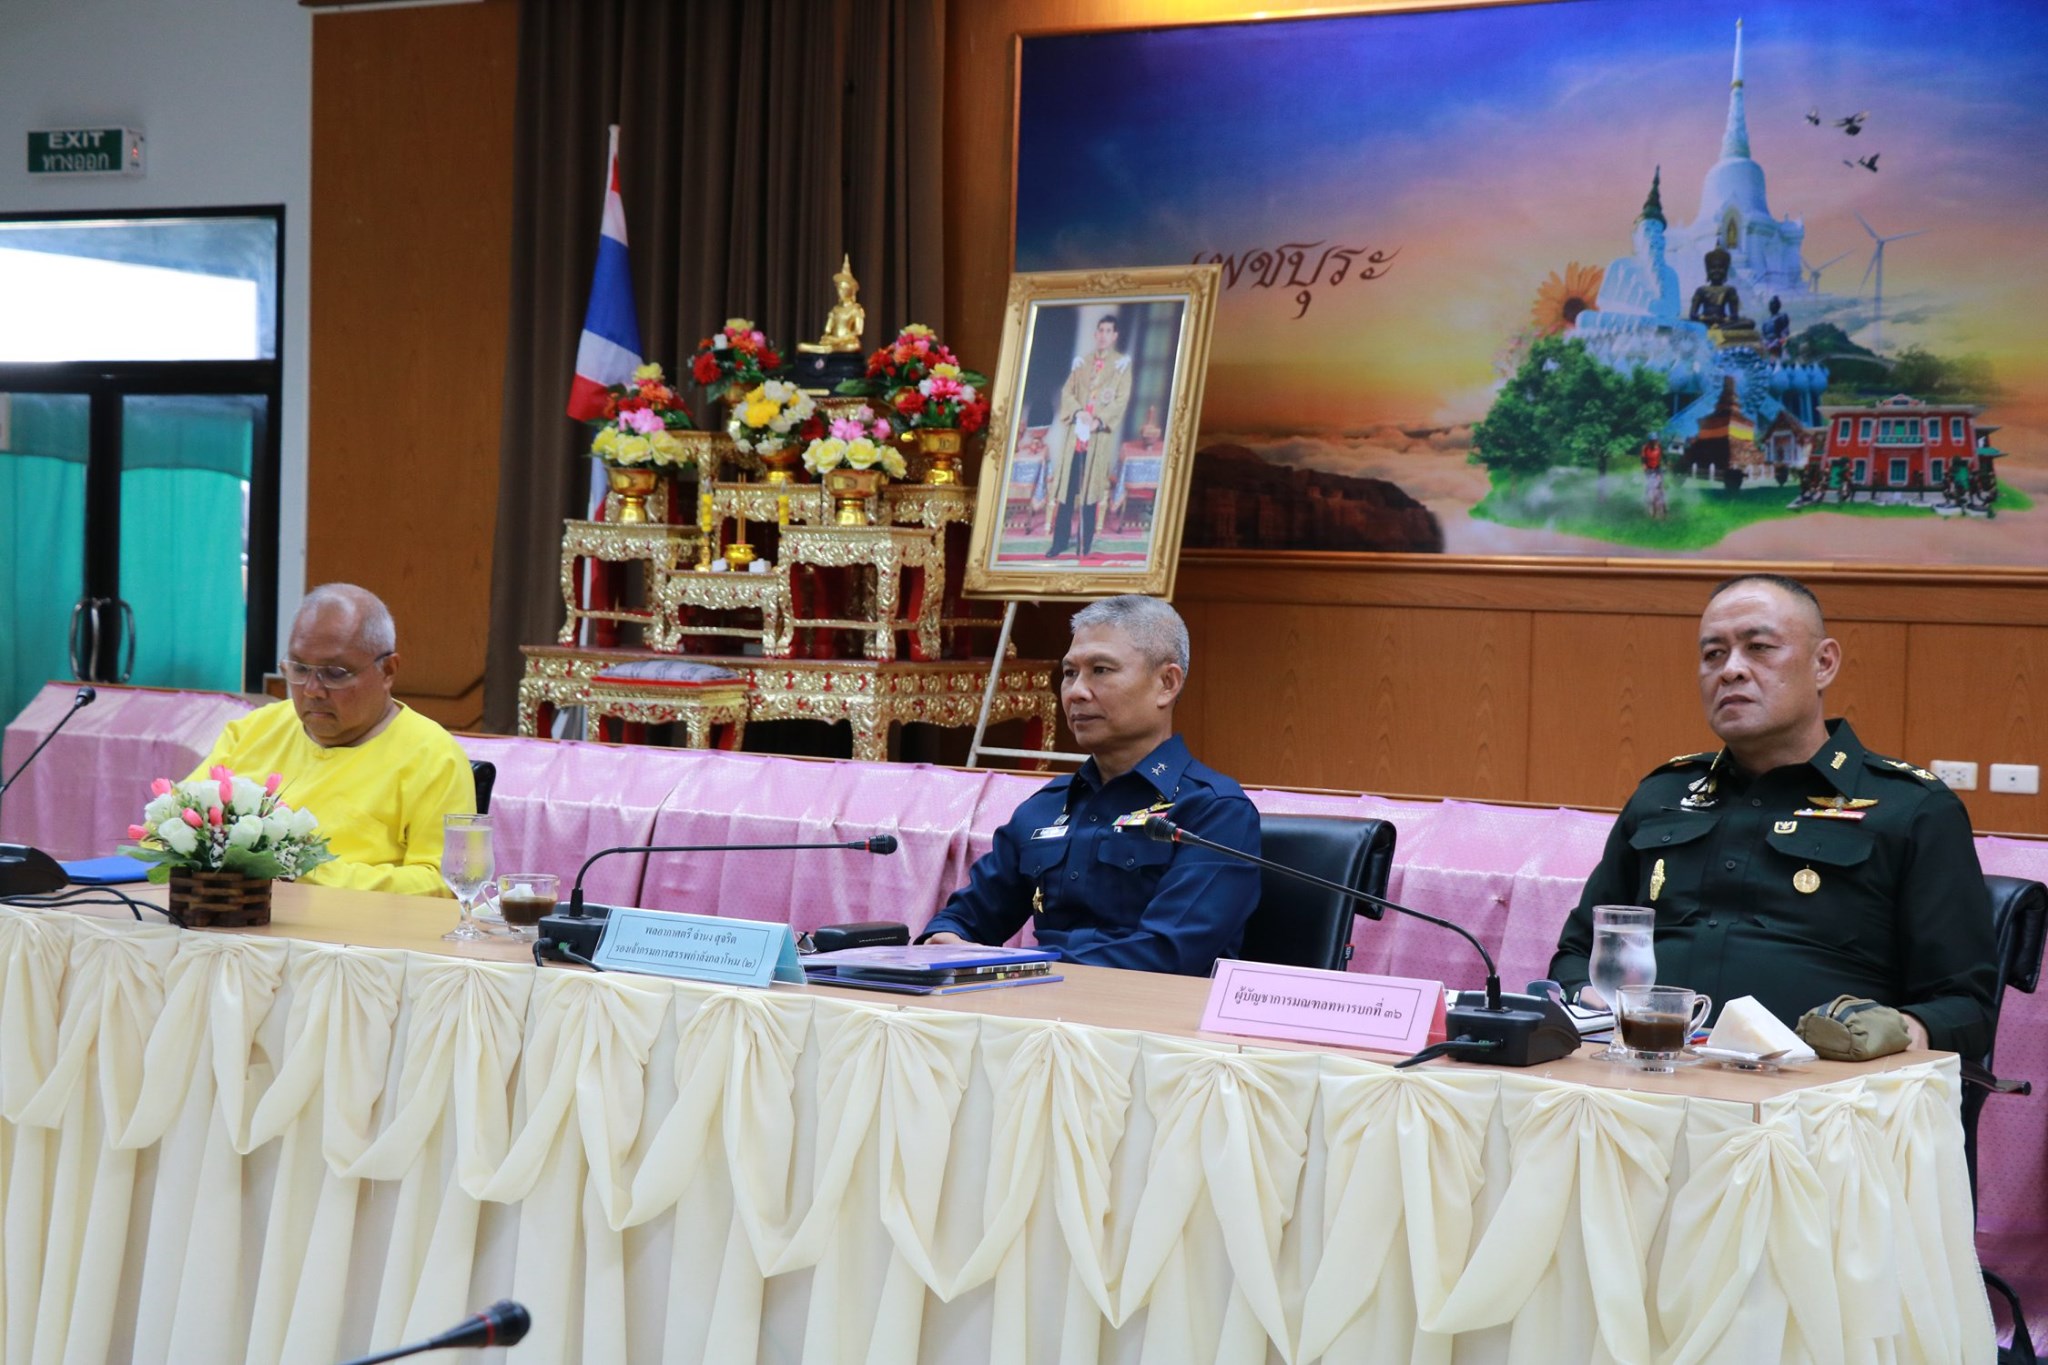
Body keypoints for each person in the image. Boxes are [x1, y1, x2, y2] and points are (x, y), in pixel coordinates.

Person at [1549, 575, 1996, 1054]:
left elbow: (1965, 1006)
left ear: (1823, 663)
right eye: (1713, 654)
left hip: (1818, 1084)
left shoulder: (1911, 808)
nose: (1730, 671)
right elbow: (1577, 952)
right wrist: (1594, 1003)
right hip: (1649, 1068)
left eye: (1759, 648)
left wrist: (1896, 1033)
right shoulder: (1663, 795)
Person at [920, 595, 1260, 974]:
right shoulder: (1047, 806)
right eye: (1069, 673)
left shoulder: (1213, 811)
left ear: (1167, 684)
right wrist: (945, 940)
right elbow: (965, 917)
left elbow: (1169, 954)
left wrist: (1021, 966)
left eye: (1100, 670)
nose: (1076, 691)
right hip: (1037, 1001)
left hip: (1141, 1007)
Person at [190, 584, 475, 897]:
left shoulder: (434, 757)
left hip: (358, 926)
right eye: (299, 669)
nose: (312, 689)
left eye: (335, 673)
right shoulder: (253, 730)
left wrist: (305, 871)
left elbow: (446, 883)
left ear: (388, 670)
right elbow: (171, 824)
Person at [1043, 315, 1133, 560]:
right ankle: (1059, 542)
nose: (1103, 335)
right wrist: (1078, 412)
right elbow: (1067, 392)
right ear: (1096, 334)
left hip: (1097, 437)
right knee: (1066, 492)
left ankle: (1085, 542)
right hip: (1076, 436)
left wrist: (1098, 420)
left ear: (1115, 336)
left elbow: (1120, 400)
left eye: (1108, 331)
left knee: (1090, 492)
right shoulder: (1082, 363)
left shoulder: (1121, 365)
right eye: (1100, 330)